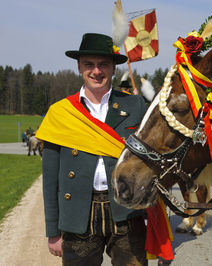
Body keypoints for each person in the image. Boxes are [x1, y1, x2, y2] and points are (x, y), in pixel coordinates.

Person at [36, 33, 148, 266]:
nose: (96, 71)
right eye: (89, 64)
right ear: (79, 67)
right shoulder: (60, 113)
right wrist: (53, 231)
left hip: (125, 211)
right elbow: (51, 179)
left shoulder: (135, 105)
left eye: (103, 64)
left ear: (114, 69)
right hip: (78, 213)